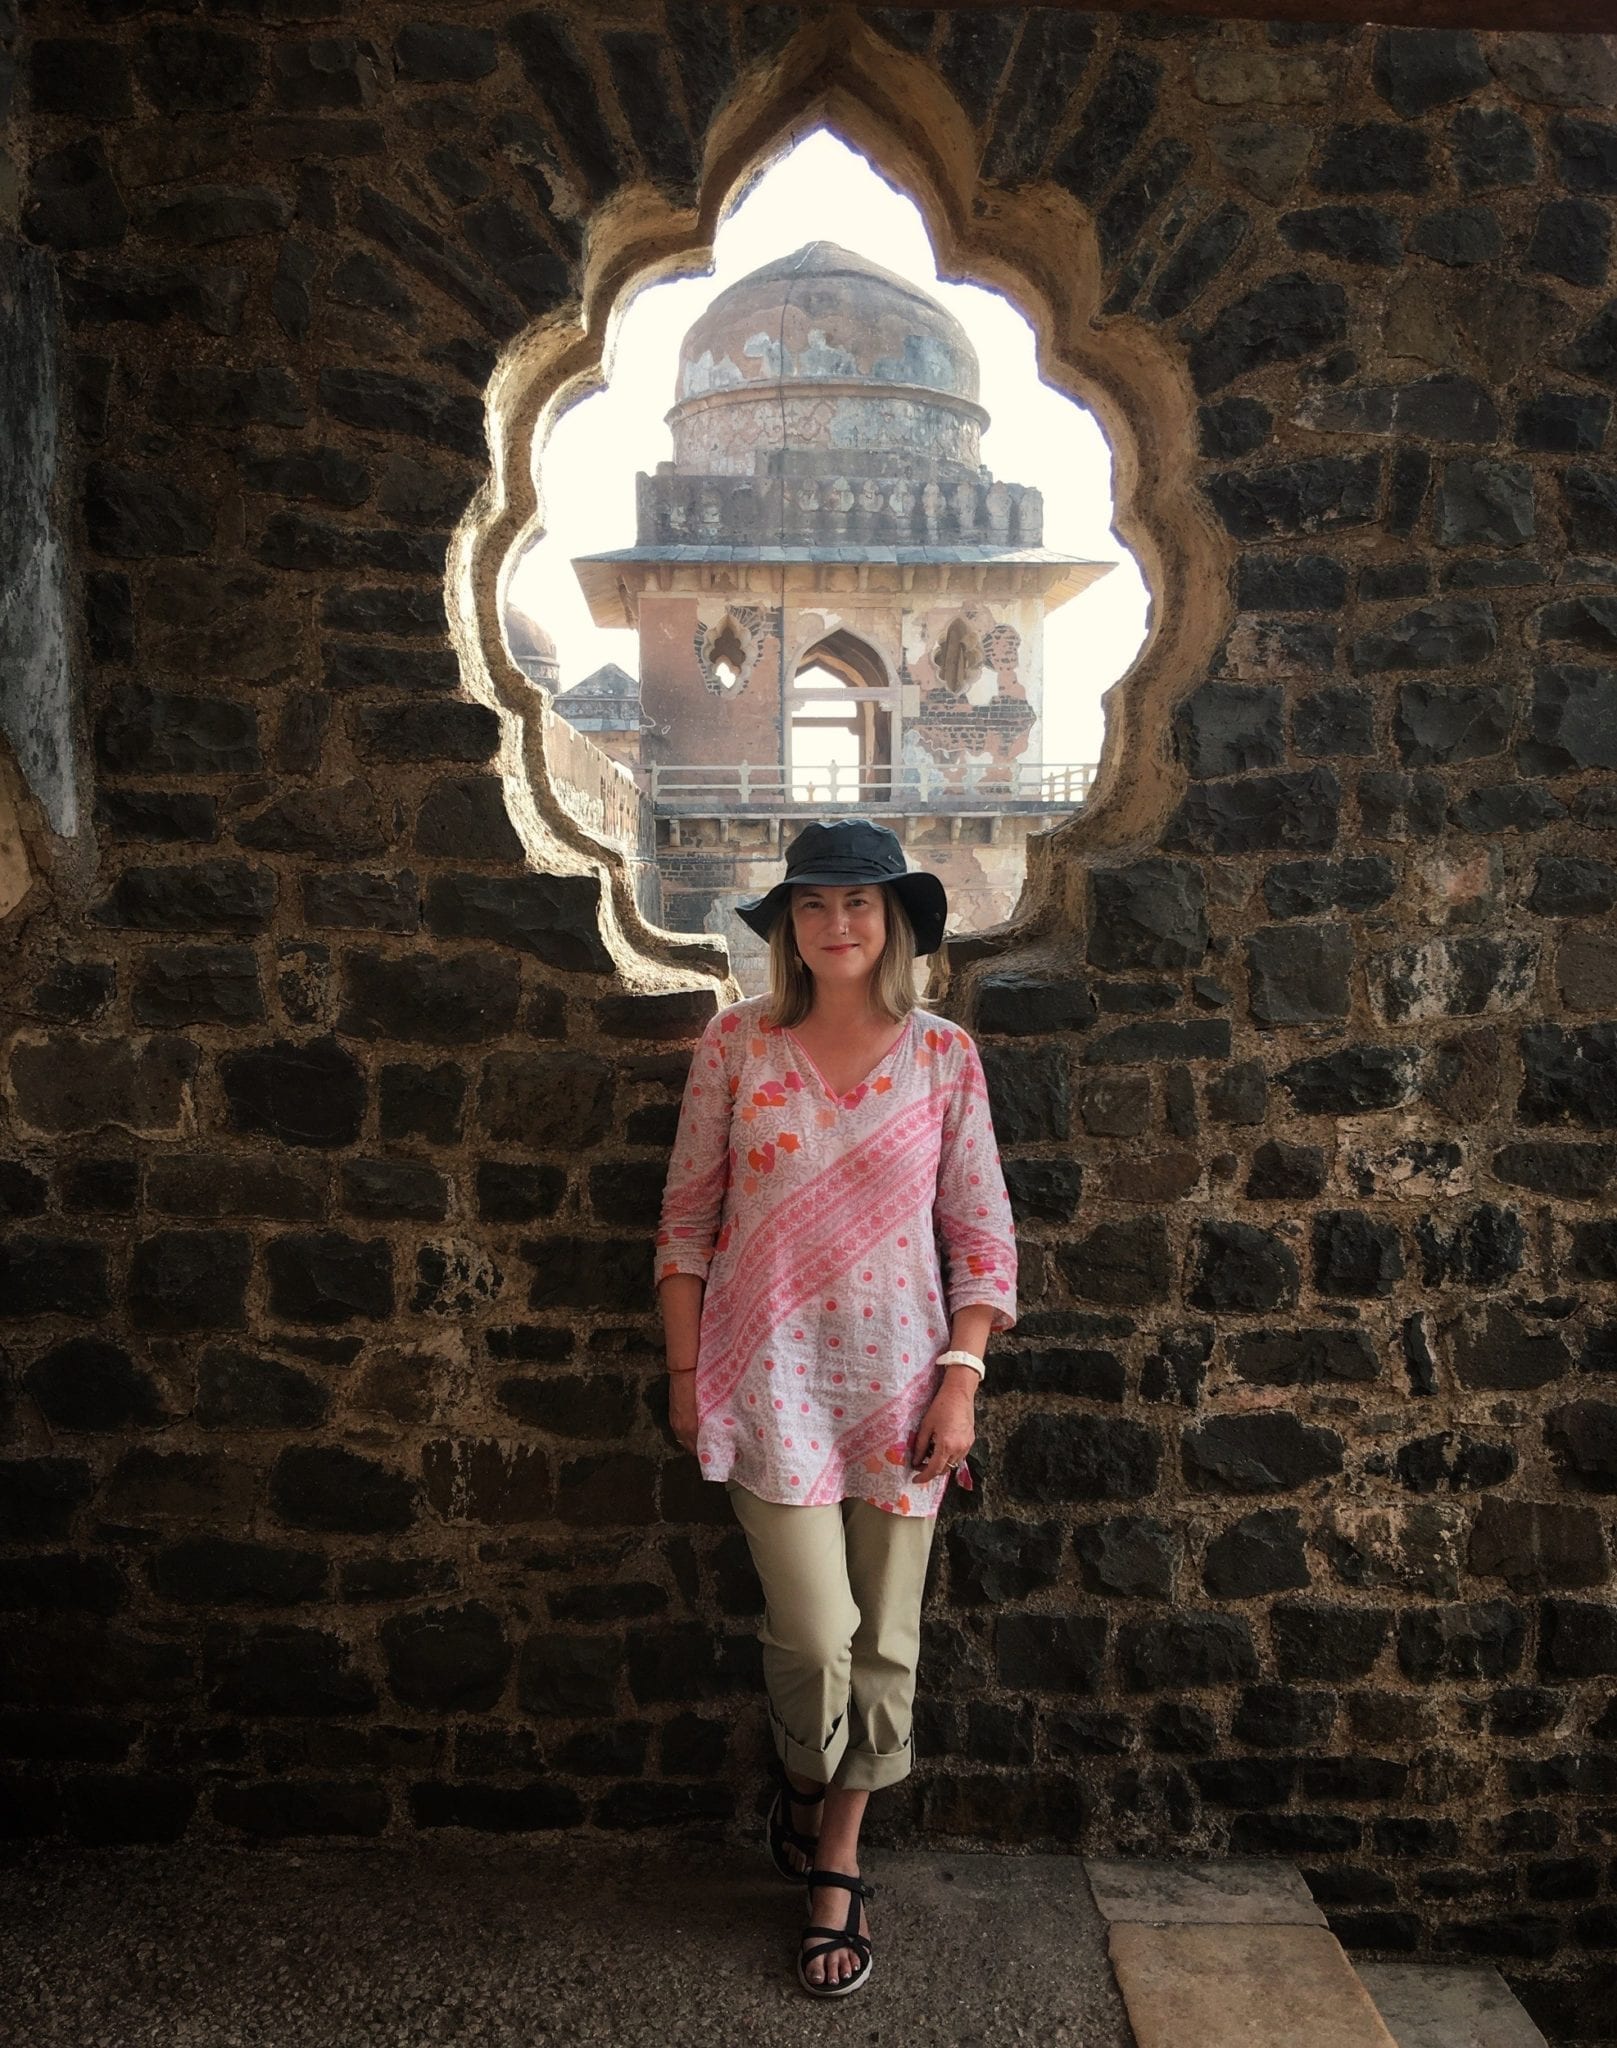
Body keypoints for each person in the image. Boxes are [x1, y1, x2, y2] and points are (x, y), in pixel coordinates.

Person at [654, 818, 1018, 1998]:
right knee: (816, 1635)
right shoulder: (735, 1047)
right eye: (813, 904)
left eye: (861, 904)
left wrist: (961, 1379)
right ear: (788, 929)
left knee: (888, 1641)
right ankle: (806, 1783)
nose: (838, 923)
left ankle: (837, 1864)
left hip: (907, 1397)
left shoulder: (944, 1056)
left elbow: (981, 1238)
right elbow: (685, 1224)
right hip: (768, 1391)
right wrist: (681, 1375)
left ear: (897, 923)